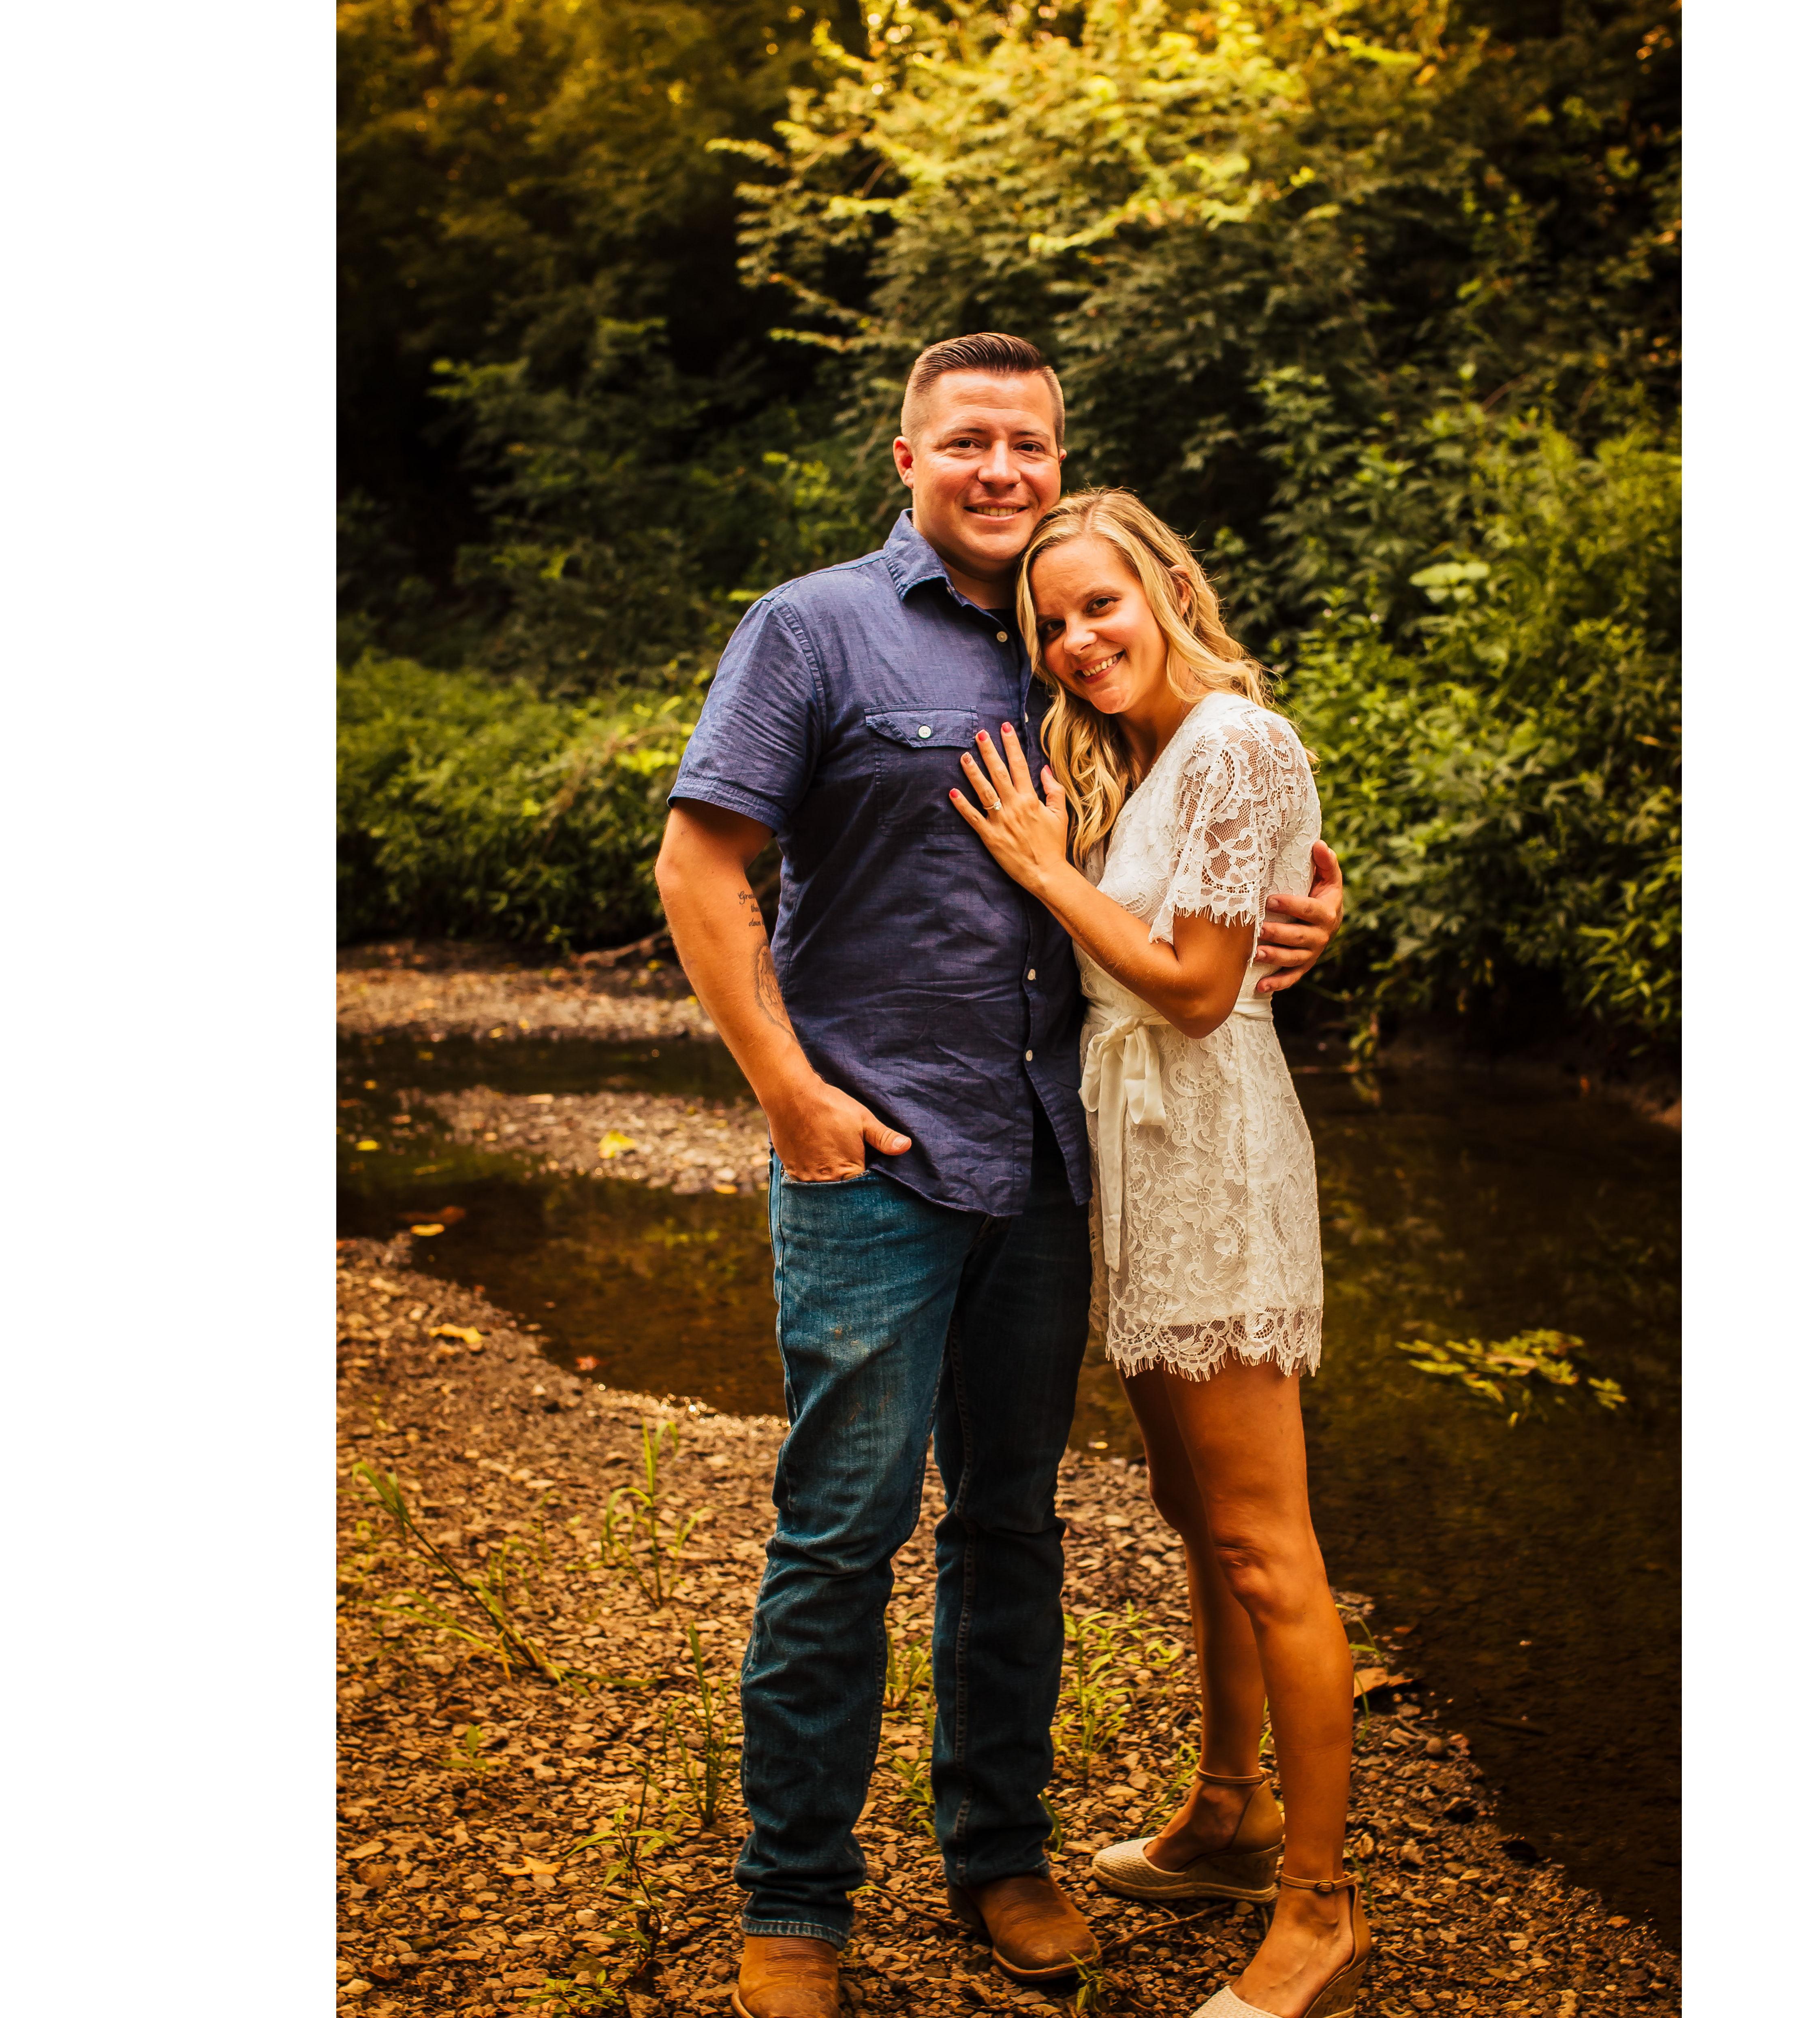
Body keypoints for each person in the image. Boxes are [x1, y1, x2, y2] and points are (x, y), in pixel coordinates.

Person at [654, 333, 1344, 2018]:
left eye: (1027, 442)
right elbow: (699, 865)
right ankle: (796, 1901)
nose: (1000, 469)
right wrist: (792, 1096)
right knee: (840, 1532)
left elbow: (1204, 841)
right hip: (877, 1148)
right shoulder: (813, 628)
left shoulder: (1076, 640)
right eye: (967, 440)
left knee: (1013, 1524)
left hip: (1053, 1160)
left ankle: (1000, 1856)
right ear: (907, 457)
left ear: (1061, 457)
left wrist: (1304, 917)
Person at [947, 487, 1371, 2018]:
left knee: (1264, 1541)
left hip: (1213, 1156)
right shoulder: (1139, 757)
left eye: (1101, 606)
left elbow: (1195, 990)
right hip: (1139, 1158)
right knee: (1199, 1518)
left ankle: (1319, 1911)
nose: (1077, 641)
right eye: (1052, 622)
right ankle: (1230, 1812)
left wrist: (1043, 869)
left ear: (1170, 591)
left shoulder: (1236, 740)